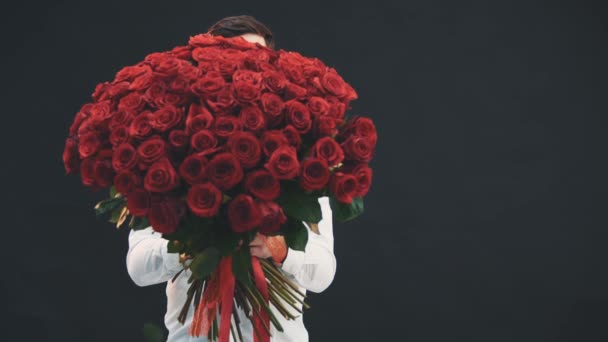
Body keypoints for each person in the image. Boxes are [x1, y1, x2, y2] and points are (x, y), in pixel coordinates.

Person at [125, 15, 337, 342]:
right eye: (232, 57)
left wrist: (280, 250)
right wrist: (191, 245)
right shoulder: (167, 161)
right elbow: (138, 267)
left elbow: (323, 272)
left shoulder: (302, 162)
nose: (246, 71)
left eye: (258, 59)